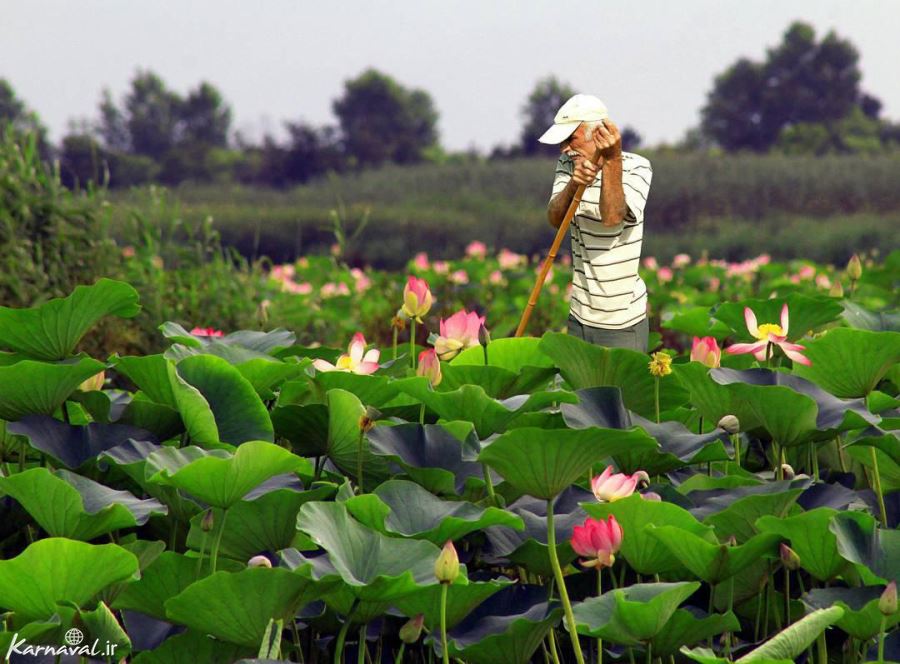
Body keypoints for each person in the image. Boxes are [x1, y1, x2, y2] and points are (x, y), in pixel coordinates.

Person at [541, 94, 653, 352]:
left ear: (599, 134)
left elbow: (613, 218)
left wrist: (612, 161)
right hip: (579, 317)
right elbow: (555, 218)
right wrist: (574, 184)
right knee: (580, 394)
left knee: (623, 394)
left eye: (571, 139)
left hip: (622, 321)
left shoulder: (637, 167)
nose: (564, 148)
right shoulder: (568, 165)